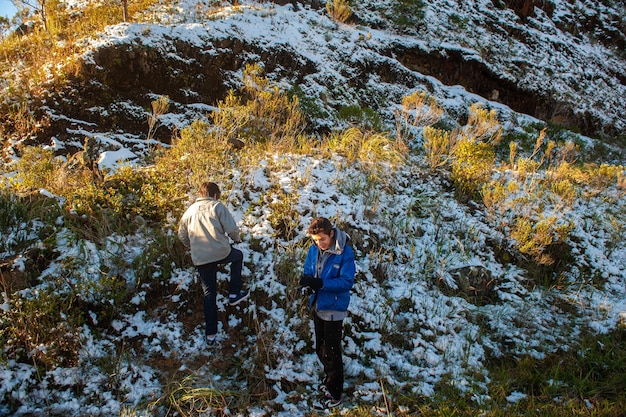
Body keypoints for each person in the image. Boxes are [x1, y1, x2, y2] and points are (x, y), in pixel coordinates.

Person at [178, 181, 249, 345]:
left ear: (201, 194)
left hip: (200, 258)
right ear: (215, 195)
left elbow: (182, 236)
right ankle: (234, 293)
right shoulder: (217, 206)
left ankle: (211, 334)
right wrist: (237, 240)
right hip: (220, 252)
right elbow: (231, 229)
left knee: (209, 295)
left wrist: (194, 246)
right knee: (237, 256)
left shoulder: (189, 211)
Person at [299, 217, 355, 410]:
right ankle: (330, 379)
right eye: (315, 240)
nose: (318, 243)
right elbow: (309, 270)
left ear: (331, 234)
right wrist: (307, 283)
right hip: (318, 305)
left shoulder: (345, 253)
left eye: (322, 239)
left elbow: (347, 282)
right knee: (321, 348)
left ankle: (335, 393)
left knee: (331, 351)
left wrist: (321, 284)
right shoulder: (314, 249)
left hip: (334, 307)